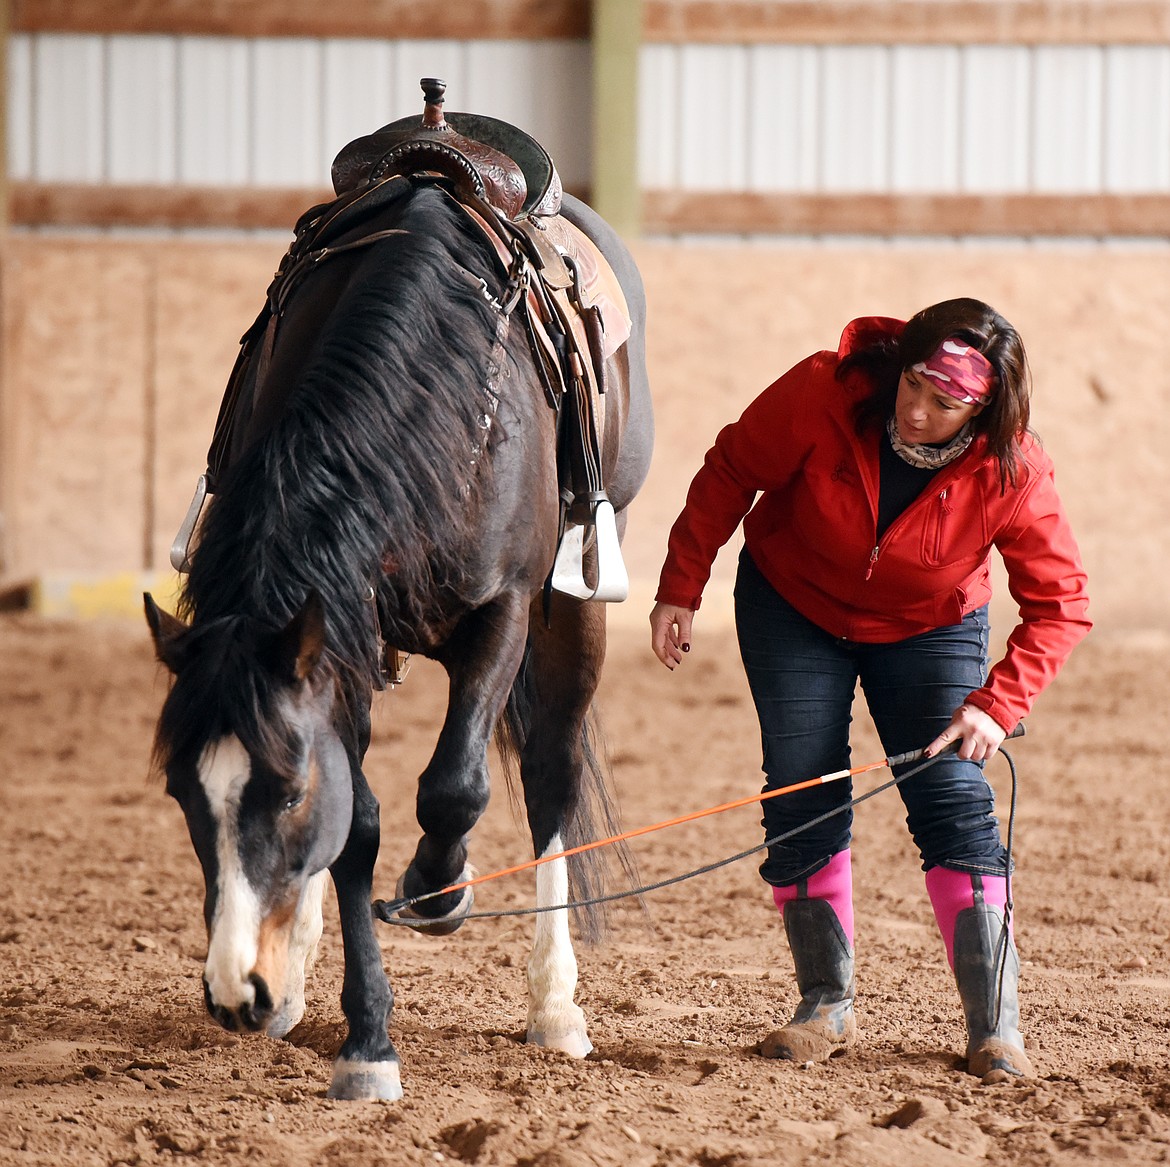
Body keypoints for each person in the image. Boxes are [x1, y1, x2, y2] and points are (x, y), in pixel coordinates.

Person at [649, 298, 1090, 1081]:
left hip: (931, 628)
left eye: (944, 402)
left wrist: (998, 702)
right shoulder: (823, 391)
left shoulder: (1013, 467)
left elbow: (1062, 605)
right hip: (794, 605)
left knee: (952, 797)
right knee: (800, 784)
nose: (917, 411)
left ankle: (995, 1025)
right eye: (912, 386)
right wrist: (680, 585)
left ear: (981, 408)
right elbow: (730, 471)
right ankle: (825, 1002)